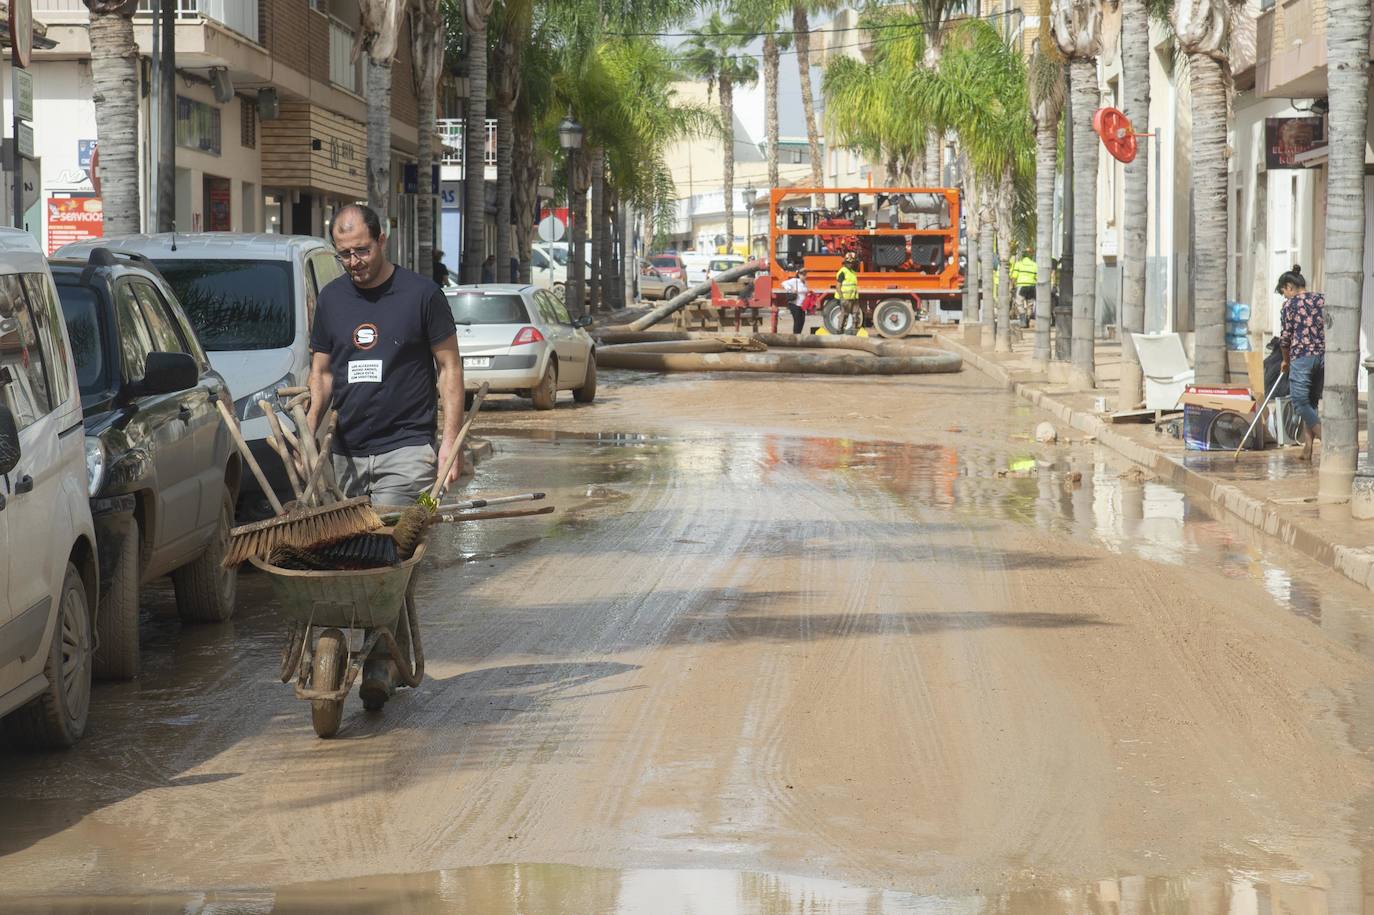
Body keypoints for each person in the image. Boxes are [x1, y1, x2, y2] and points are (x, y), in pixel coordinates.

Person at [307, 203, 464, 705]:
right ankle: (356, 648)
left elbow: (449, 369)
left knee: (391, 557)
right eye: (344, 253)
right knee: (350, 558)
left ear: (382, 239)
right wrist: (309, 432)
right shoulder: (331, 300)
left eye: (361, 249)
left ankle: (377, 660)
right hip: (347, 453)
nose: (354, 260)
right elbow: (324, 373)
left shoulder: (421, 294)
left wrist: (449, 447)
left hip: (407, 450)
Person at [1276, 264, 1324, 461]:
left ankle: (1327, 440)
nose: (1285, 297)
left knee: (1299, 402)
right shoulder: (1321, 299)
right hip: (1322, 357)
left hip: (1301, 357)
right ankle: (1307, 449)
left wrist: (1285, 361)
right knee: (1311, 402)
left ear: (1289, 287)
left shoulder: (1290, 305)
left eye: (1283, 293)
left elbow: (1285, 339)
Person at [834, 252, 861, 335]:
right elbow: (838, 286)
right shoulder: (842, 272)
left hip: (853, 298)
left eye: (851, 263)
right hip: (845, 298)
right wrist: (842, 298)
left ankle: (854, 332)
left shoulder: (852, 272)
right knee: (844, 315)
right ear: (845, 263)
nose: (850, 264)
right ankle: (839, 331)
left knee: (855, 314)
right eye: (849, 263)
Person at [1010, 251, 1037, 324]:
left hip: (1021, 285)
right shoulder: (1035, 265)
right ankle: (1028, 318)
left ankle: (1023, 318)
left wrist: (1011, 286)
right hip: (1031, 286)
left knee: (1019, 302)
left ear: (1023, 256)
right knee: (1030, 304)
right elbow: (1037, 277)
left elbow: (1014, 276)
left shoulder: (1019, 264)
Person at [780, 267, 809, 334]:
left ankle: (798, 335)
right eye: (803, 274)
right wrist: (791, 289)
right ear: (799, 275)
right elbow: (783, 283)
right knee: (797, 321)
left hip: (802, 306)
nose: (805, 276)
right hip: (795, 304)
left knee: (802, 321)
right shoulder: (794, 281)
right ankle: (795, 336)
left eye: (805, 274)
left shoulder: (805, 283)